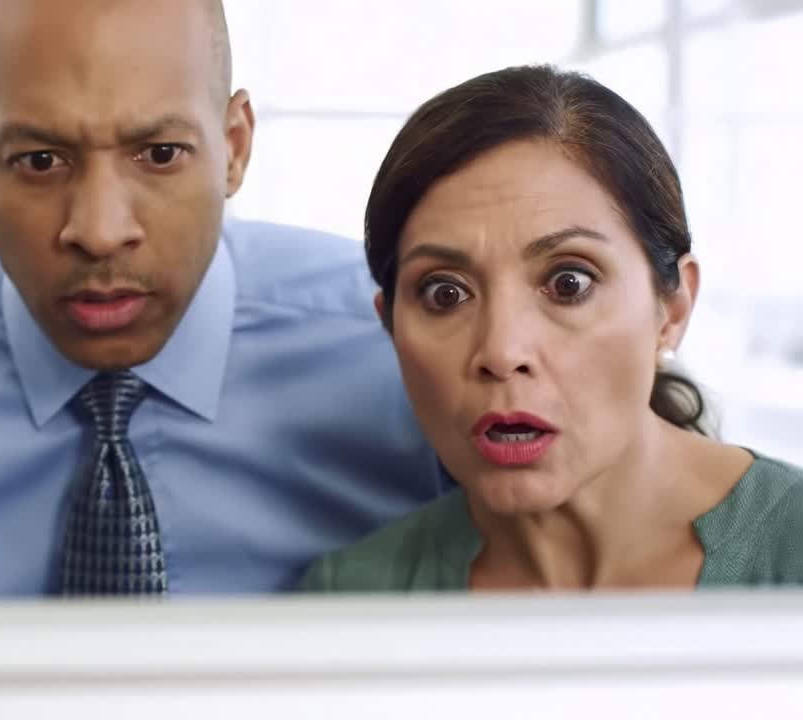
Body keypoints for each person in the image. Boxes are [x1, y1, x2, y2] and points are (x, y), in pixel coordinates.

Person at [0, 0, 446, 597]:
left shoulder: (405, 350)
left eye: (161, 154)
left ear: (234, 146)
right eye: (40, 160)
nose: (99, 231)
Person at [301, 64, 803, 593]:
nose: (501, 351)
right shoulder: (351, 598)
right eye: (445, 294)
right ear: (390, 325)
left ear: (673, 309)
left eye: (569, 283)